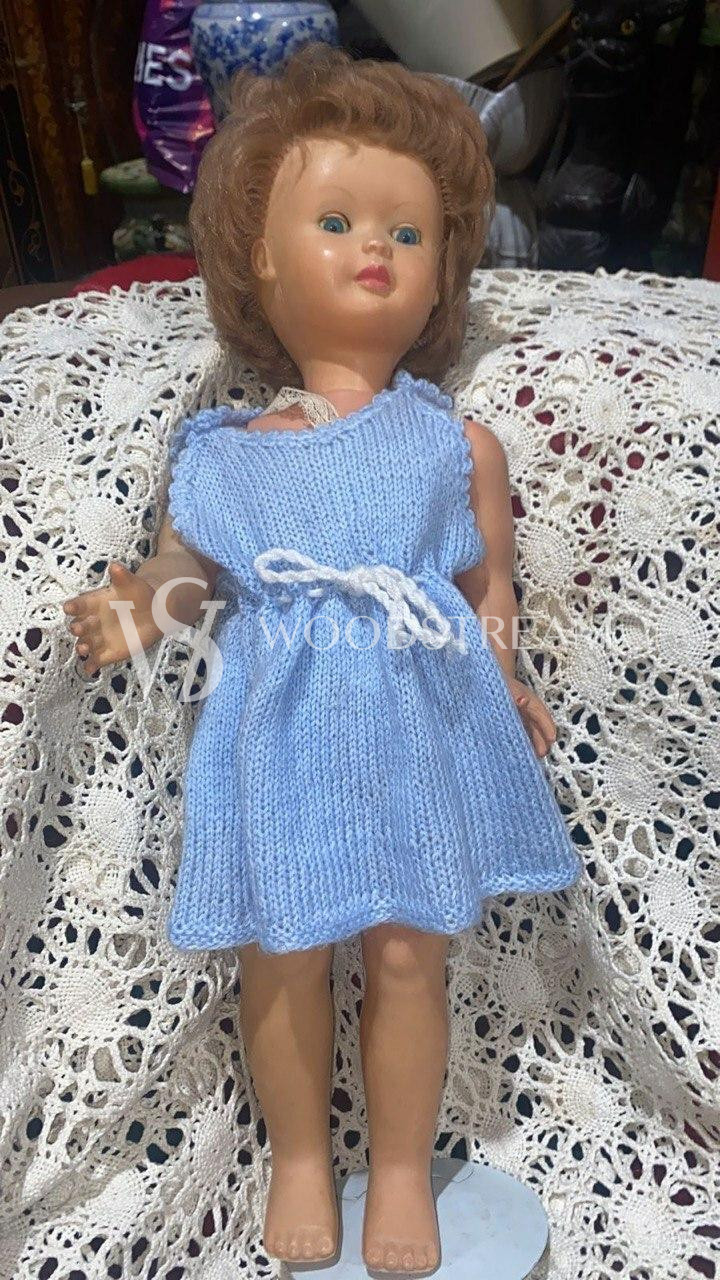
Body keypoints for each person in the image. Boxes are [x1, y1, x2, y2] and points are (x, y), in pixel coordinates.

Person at [62, 43, 582, 1275]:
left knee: (409, 949)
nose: (375, 249)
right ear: (258, 253)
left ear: (443, 270)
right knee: (283, 948)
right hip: (281, 727)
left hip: (419, 721)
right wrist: (142, 607)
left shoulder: (456, 442)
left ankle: (399, 1165)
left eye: (408, 232)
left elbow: (488, 589)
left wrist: (507, 680)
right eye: (337, 220)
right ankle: (300, 1154)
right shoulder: (225, 450)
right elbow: (191, 568)